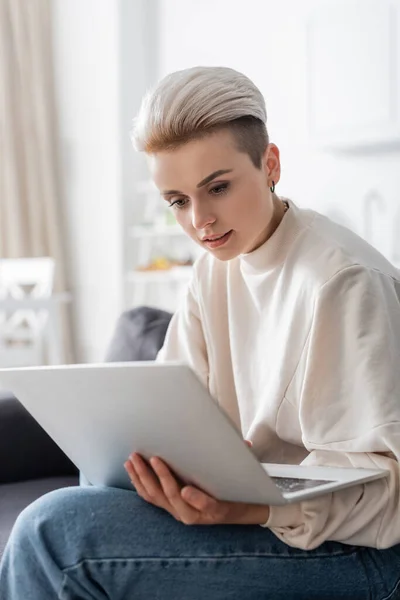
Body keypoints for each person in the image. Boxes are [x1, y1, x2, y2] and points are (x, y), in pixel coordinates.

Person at [1, 66, 400, 600]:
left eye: (218, 187)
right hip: (266, 520)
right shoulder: (215, 267)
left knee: (56, 534)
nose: (201, 220)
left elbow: (390, 494)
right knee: (91, 492)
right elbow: (167, 409)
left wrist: (251, 507)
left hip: (363, 557)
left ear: (270, 164)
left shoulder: (344, 281)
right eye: (178, 201)